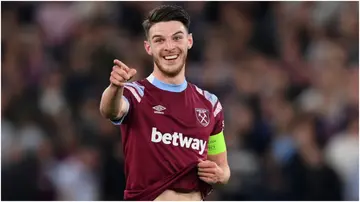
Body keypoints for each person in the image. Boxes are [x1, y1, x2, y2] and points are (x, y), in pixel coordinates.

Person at [99, 4, 230, 201]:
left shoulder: (210, 104)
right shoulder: (136, 94)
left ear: (189, 41)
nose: (169, 47)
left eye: (177, 38)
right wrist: (115, 87)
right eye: (159, 40)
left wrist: (221, 176)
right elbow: (110, 110)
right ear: (148, 47)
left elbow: (222, 166)